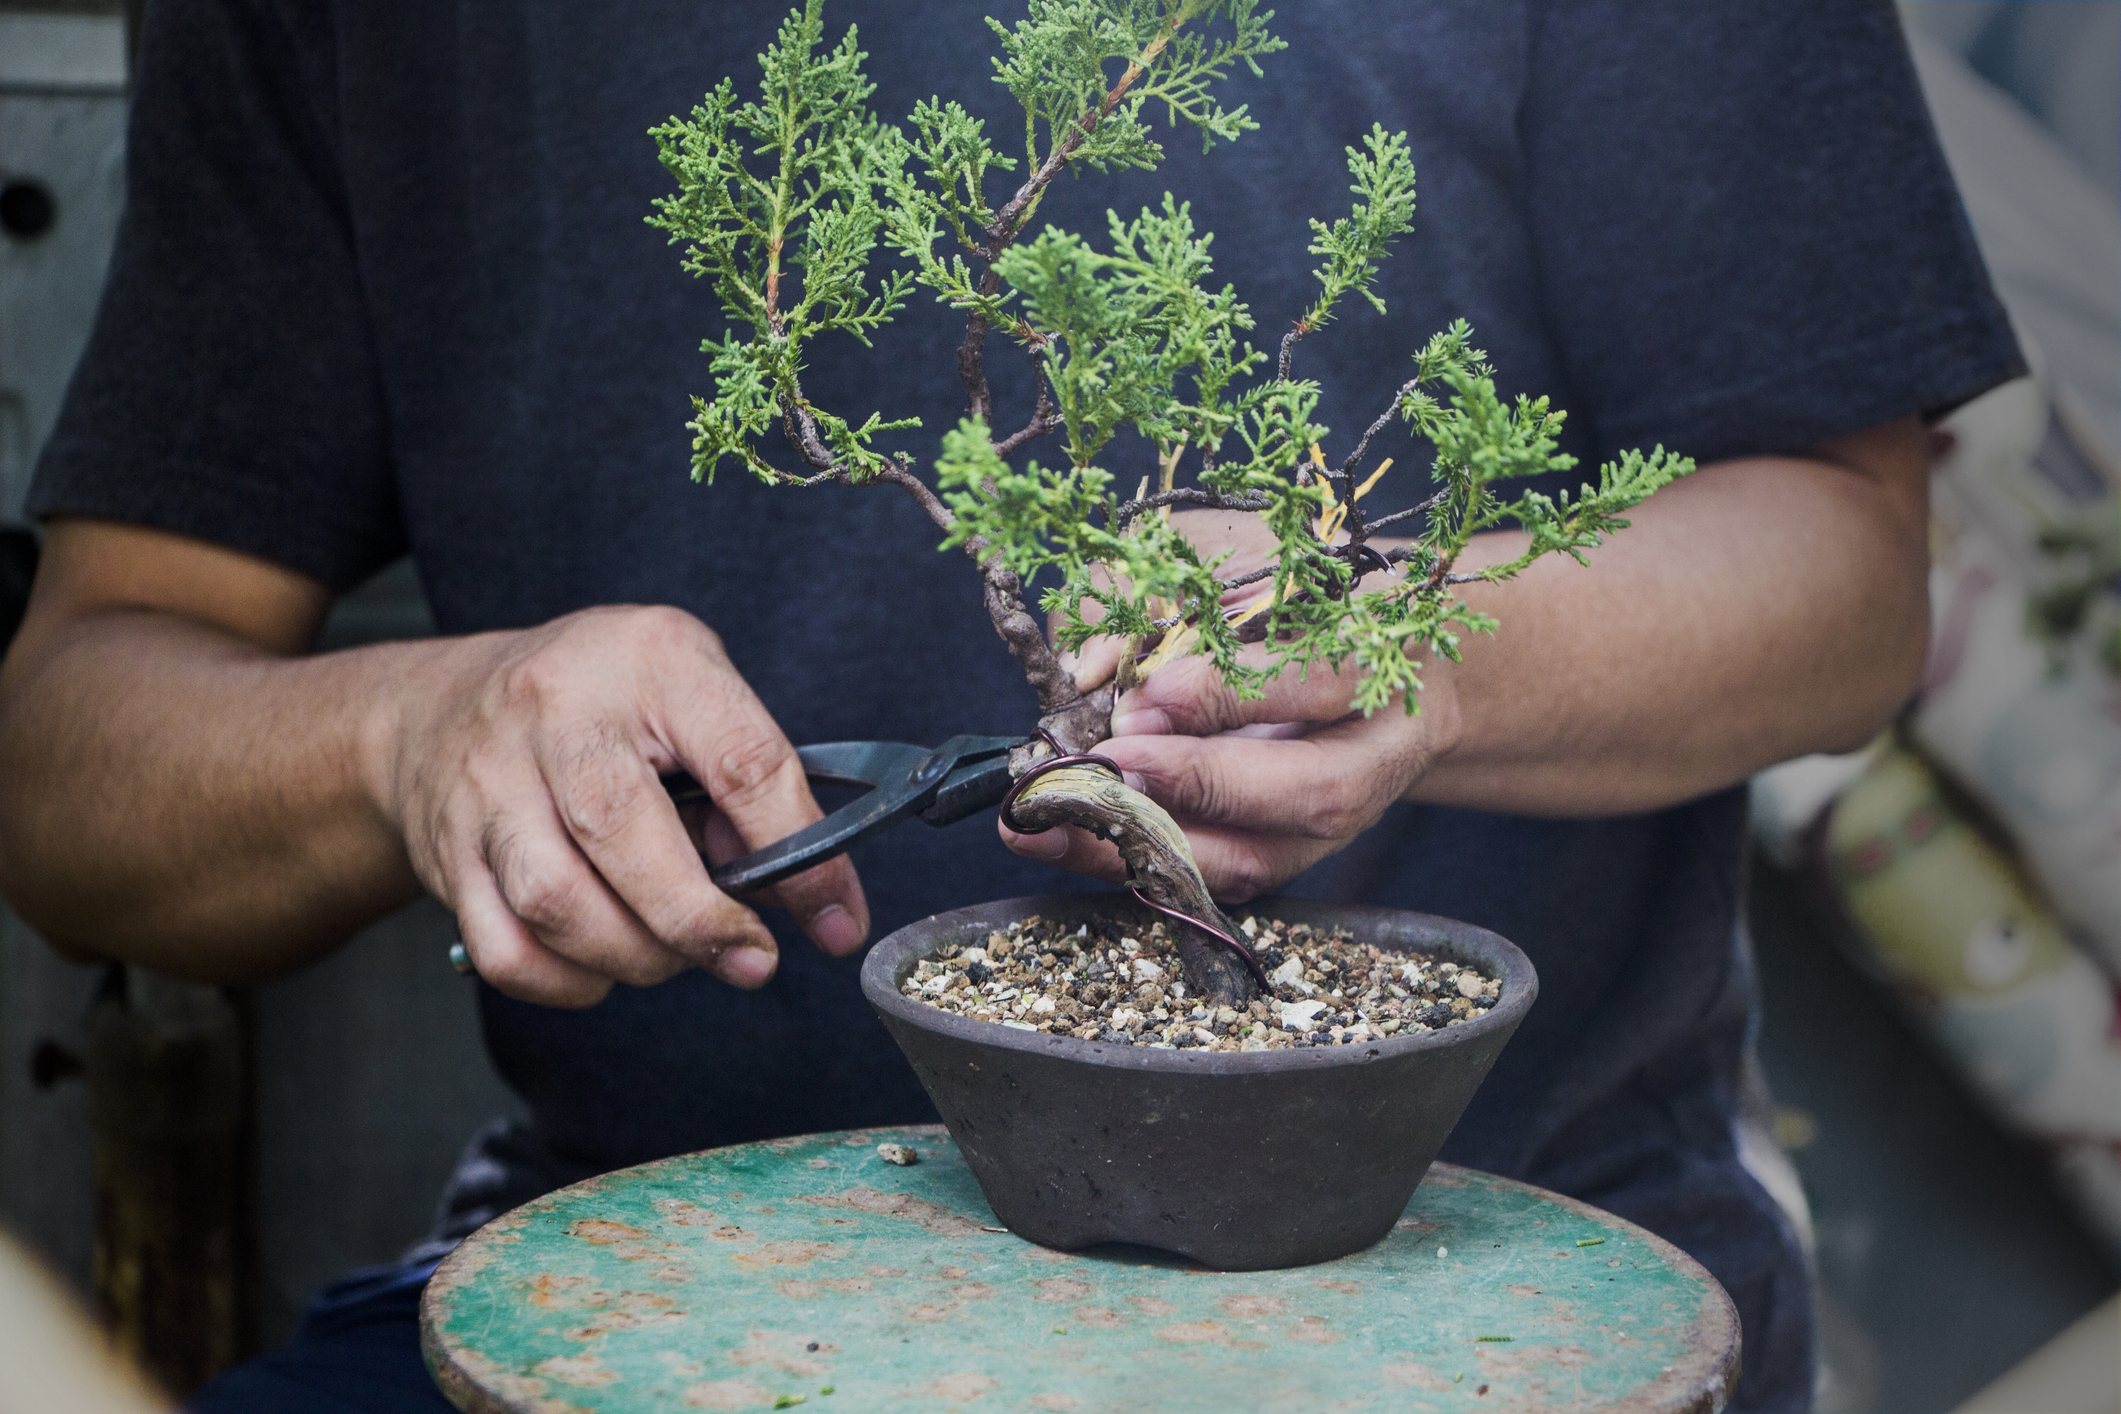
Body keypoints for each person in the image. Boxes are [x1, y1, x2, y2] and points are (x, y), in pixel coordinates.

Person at [0, 2, 2020, 1411]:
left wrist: (1408, 636)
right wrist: (412, 733)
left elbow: (1845, 573)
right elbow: (77, 751)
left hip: (1465, 1292)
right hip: (669, 1311)